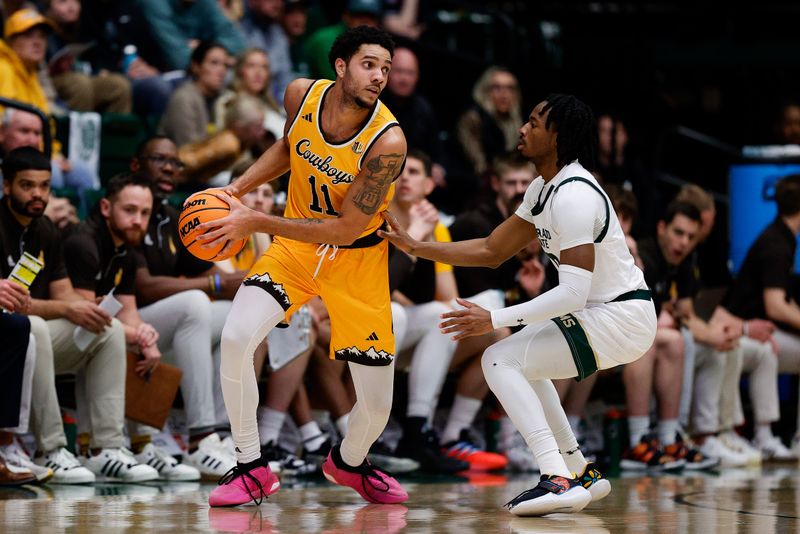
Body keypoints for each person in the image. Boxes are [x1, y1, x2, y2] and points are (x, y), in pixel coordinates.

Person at [380, 94, 657, 517]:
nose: (522, 129)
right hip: (603, 312)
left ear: (558, 136)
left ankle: (554, 477)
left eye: (533, 123)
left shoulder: (575, 195)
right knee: (522, 361)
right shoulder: (543, 187)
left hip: (618, 315)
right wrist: (417, 245)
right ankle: (579, 471)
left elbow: (572, 294)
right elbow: (493, 249)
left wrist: (492, 318)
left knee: (498, 359)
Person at [195, 26, 408, 507]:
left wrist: (253, 219)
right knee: (236, 337)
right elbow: (288, 147)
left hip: (356, 262)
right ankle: (251, 467)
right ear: (341, 66)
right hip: (295, 251)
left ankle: (349, 462)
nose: (379, 77)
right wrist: (236, 191)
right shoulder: (300, 94)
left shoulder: (388, 142)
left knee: (375, 406)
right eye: (369, 64)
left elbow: (344, 230)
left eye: (386, 69)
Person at [0, 146, 157, 483]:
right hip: (11, 335)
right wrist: (69, 307)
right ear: (6, 186)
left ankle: (105, 450)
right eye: (27, 186)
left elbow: (62, 293)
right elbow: (18, 305)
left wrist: (86, 308)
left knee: (109, 330)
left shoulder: (46, 231)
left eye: (44, 186)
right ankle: (52, 449)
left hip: (30, 338)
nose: (38, 194)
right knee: (35, 326)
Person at [62, 172, 201, 481]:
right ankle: (95, 449)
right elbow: (86, 316)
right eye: (130, 210)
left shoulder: (125, 249)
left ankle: (142, 445)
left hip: (91, 329)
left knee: (132, 339)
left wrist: (145, 336)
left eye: (145, 213)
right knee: (107, 337)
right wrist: (136, 333)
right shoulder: (83, 243)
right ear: (105, 208)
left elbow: (129, 312)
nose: (138, 220)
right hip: (62, 328)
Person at [158, 42, 231, 147]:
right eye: (214, 63)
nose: (222, 71)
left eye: (225, 65)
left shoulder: (224, 98)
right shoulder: (184, 99)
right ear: (196, 66)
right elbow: (188, 150)